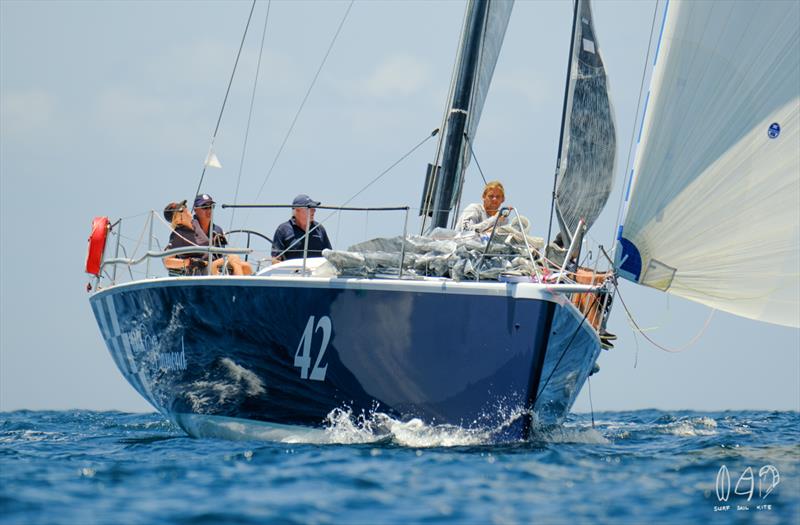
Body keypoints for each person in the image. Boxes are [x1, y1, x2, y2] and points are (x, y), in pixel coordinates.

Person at [192, 194, 252, 275]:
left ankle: (238, 286)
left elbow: (221, 253)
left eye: (211, 206)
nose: (209, 210)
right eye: (205, 207)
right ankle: (241, 286)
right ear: (195, 209)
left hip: (215, 264)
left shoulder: (217, 230)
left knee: (246, 266)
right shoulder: (189, 228)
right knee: (234, 258)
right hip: (199, 268)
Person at [272, 194, 332, 263]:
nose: (314, 211)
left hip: (317, 272)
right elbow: (275, 260)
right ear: (297, 210)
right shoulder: (283, 230)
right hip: (291, 272)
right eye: (309, 208)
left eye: (314, 208)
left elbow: (329, 256)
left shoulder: (319, 228)